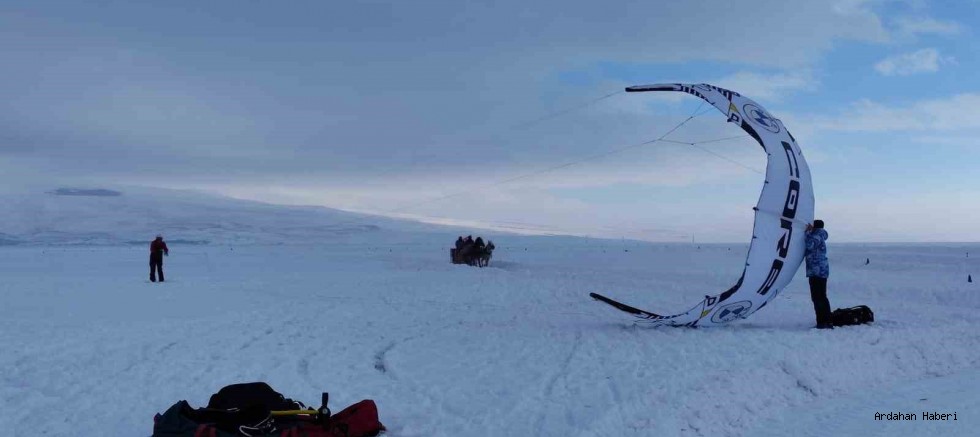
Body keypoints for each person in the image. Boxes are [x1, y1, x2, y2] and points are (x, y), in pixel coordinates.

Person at [805, 220, 832, 329]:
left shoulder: (817, 235)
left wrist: (807, 233)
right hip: (819, 270)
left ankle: (823, 322)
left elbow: (809, 245)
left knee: (818, 297)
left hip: (817, 271)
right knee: (821, 297)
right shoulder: (820, 235)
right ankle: (826, 321)